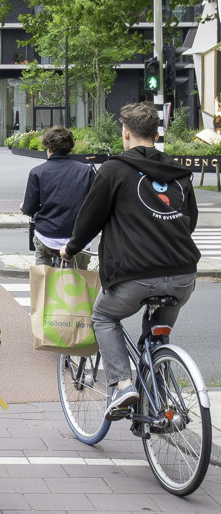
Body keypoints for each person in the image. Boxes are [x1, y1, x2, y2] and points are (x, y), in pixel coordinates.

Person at [61, 101, 200, 419]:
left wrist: (71, 248)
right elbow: (187, 221)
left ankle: (123, 386)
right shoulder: (178, 173)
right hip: (182, 275)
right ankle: (162, 400)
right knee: (157, 331)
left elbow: (90, 218)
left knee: (104, 317)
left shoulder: (114, 170)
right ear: (156, 133)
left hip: (135, 275)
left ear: (125, 133)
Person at [19, 125, 93, 267]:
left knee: (42, 278)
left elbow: (30, 208)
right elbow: (94, 204)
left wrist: (23, 207)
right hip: (77, 238)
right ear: (70, 147)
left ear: (48, 147)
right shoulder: (85, 171)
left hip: (47, 235)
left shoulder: (37, 172)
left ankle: (42, 286)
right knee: (78, 281)